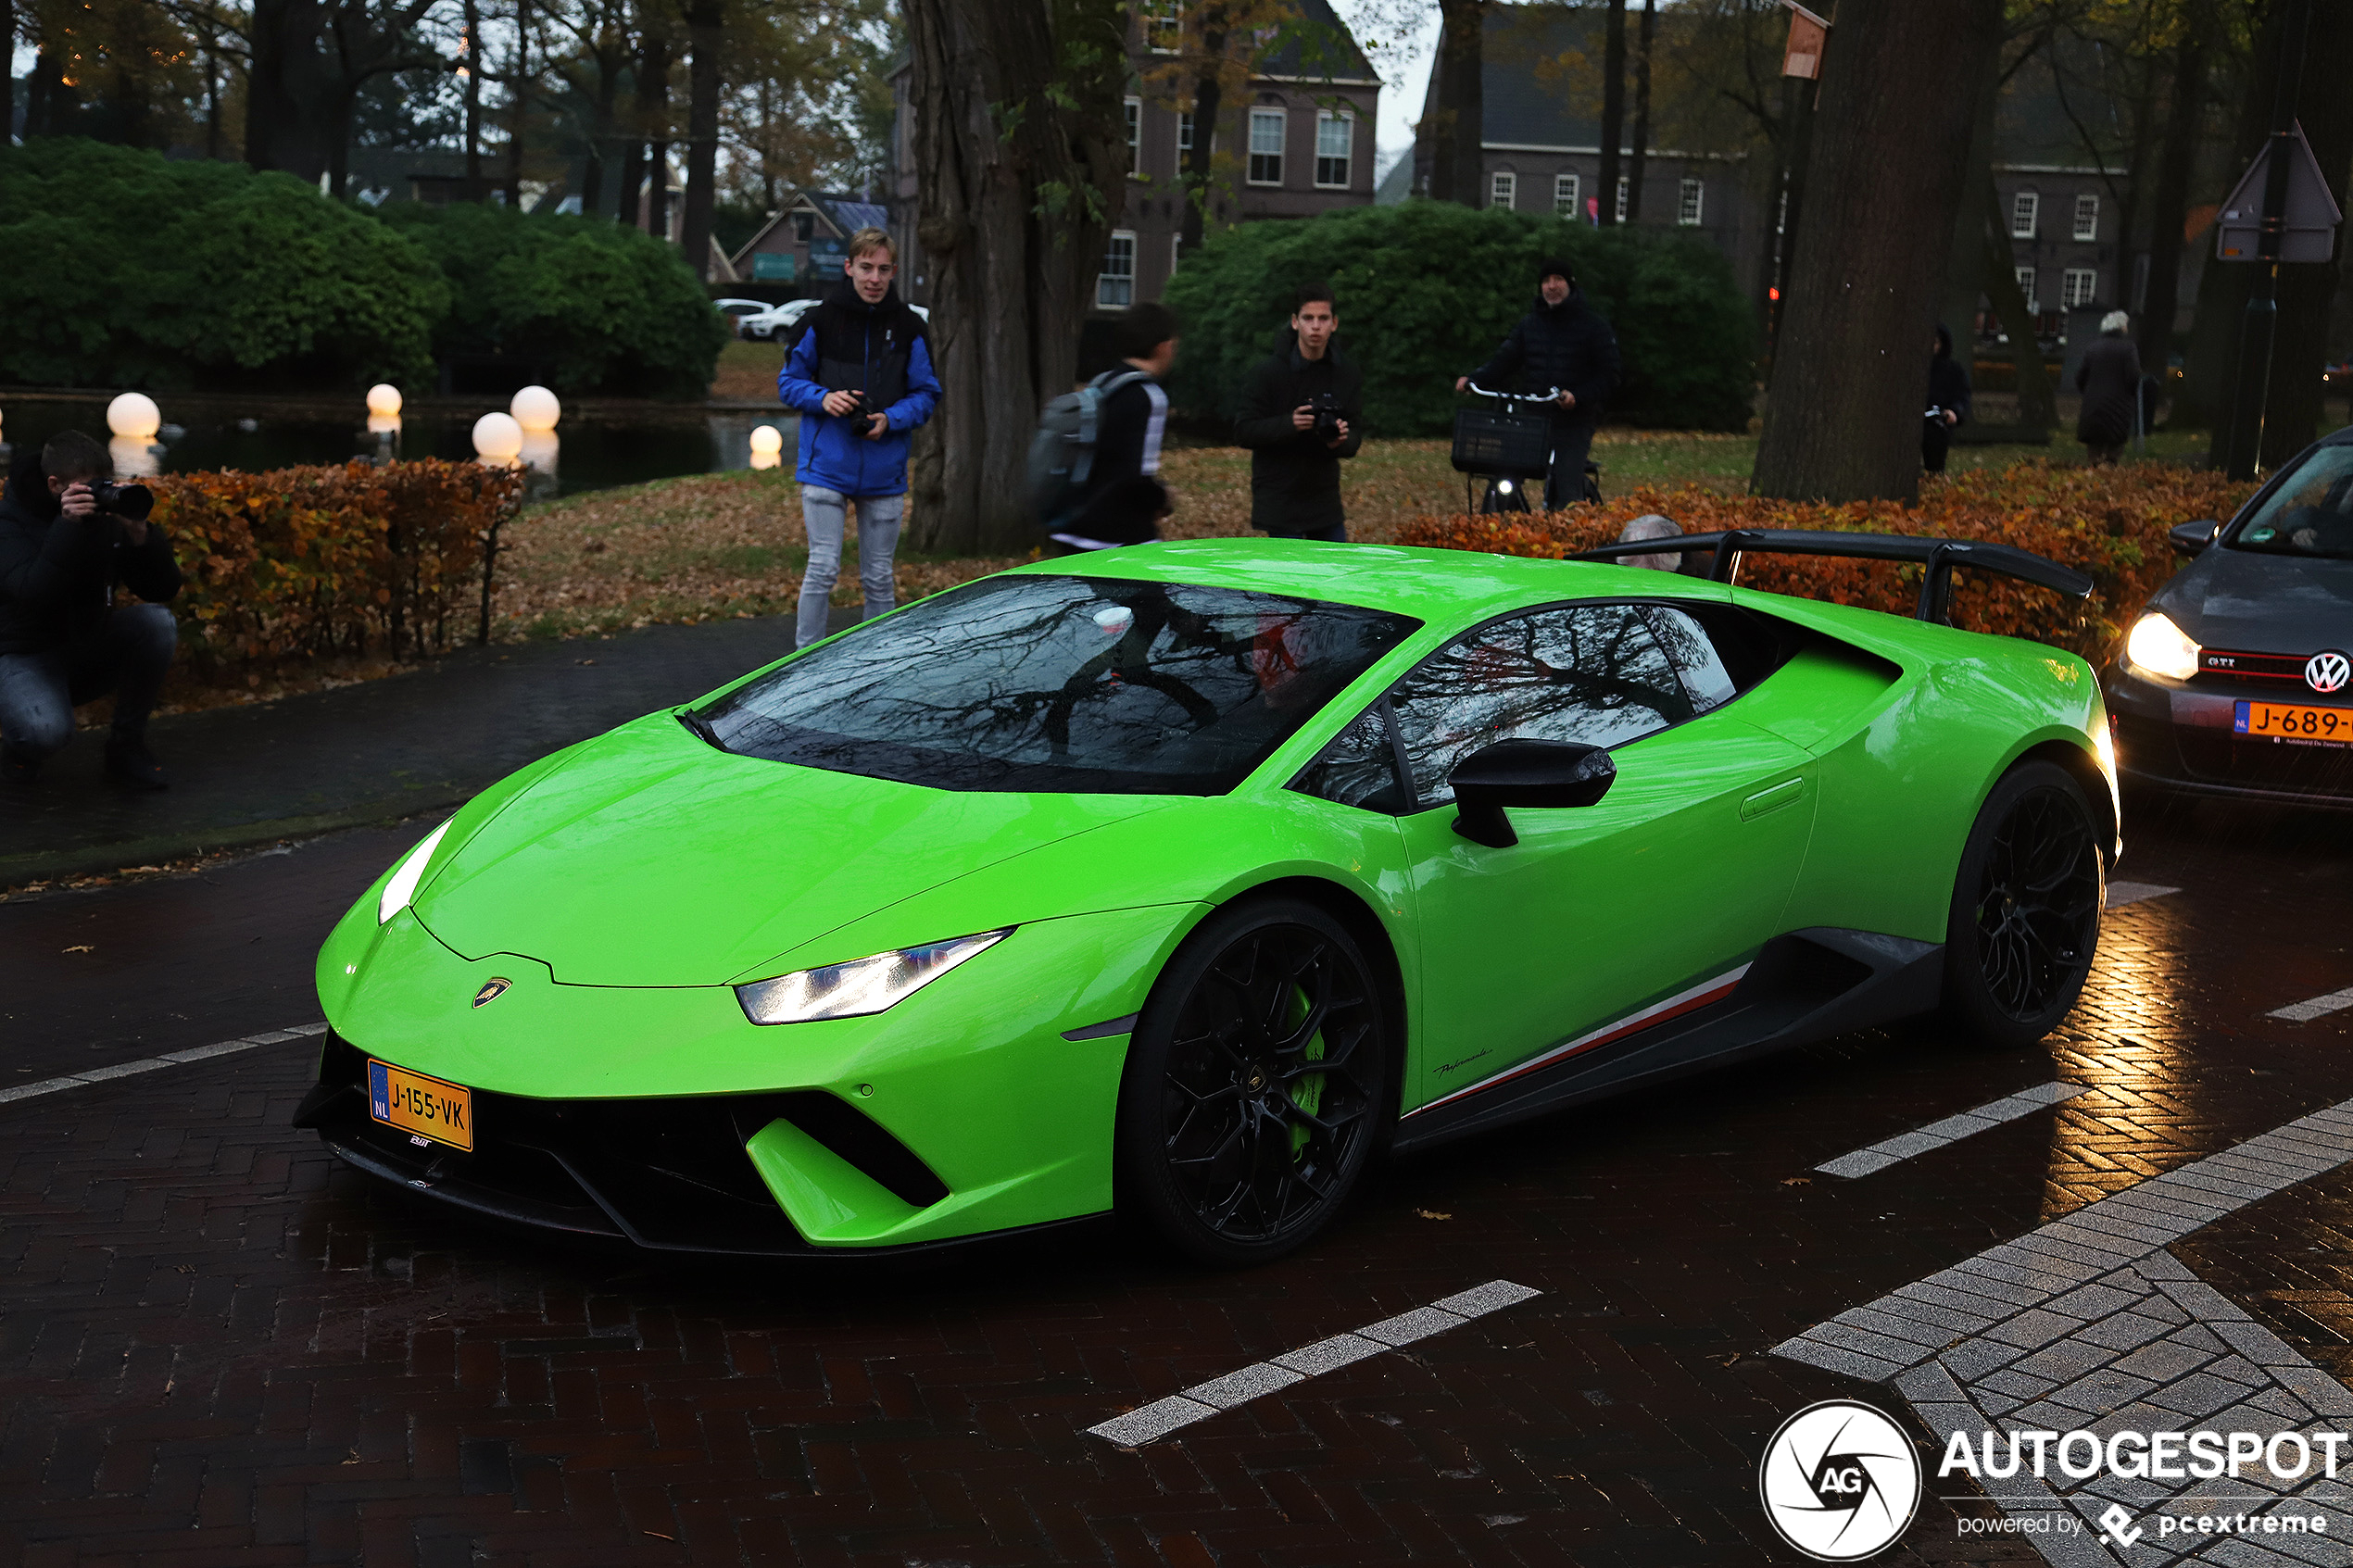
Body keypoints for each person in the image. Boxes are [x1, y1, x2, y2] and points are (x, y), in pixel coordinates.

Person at [777, 226, 940, 649]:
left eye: (883, 269)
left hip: (884, 469)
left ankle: (874, 665)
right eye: (866, 267)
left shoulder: (910, 327)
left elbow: (926, 394)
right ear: (849, 267)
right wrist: (823, 398)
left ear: (894, 272)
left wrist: (891, 417)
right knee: (823, 569)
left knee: (879, 578)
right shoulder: (818, 321)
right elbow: (788, 383)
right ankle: (801, 662)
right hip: (826, 468)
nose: (874, 278)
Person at [0, 430, 181, 788]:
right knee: (44, 732)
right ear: (55, 485)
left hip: (85, 643)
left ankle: (126, 747)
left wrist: (141, 536)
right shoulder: (9, 523)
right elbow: (32, 593)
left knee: (157, 623)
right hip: (21, 654)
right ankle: (21, 750)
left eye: (103, 485)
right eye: (88, 488)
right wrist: (66, 527)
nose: (98, 496)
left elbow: (162, 590)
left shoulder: (104, 517)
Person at [1457, 257, 1621, 509]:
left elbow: (1609, 376)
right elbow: (1504, 360)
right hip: (1533, 420)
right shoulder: (1530, 325)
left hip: (1574, 422)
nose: (1551, 286)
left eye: (1558, 280)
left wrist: (1577, 396)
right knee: (1504, 474)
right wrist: (1474, 379)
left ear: (1570, 285)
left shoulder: (1593, 326)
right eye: (1546, 281)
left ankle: (1570, 535)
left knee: (1567, 488)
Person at [1047, 302, 1179, 556]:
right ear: (1162, 347)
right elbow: (1135, 475)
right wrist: (1163, 497)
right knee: (1153, 594)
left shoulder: (1102, 383)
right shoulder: (1149, 396)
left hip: (1072, 525)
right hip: (1116, 535)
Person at [1232, 283, 1363, 542]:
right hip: (1279, 497)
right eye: (1308, 318)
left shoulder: (1346, 373)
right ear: (1295, 322)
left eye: (1323, 318)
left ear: (1334, 323)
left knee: (1333, 573)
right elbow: (1243, 431)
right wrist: (1290, 424)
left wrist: (1341, 440)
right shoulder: (1267, 373)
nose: (1316, 326)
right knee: (1291, 578)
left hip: (1323, 499)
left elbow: (1355, 435)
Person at [2075, 310, 2143, 468]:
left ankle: (2094, 468)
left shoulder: (2093, 348)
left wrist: (2088, 393)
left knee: (2094, 443)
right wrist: (2129, 394)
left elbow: (2080, 377)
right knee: (2115, 442)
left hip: (2093, 404)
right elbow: (2134, 376)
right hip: (2119, 404)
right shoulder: (2128, 348)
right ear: (2121, 328)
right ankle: (2110, 468)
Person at [1924, 323, 1971, 474]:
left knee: (1935, 465)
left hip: (1937, 423)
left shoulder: (1952, 370)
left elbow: (1962, 395)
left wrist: (1954, 412)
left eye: (1936, 342)